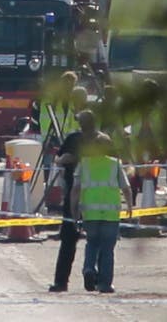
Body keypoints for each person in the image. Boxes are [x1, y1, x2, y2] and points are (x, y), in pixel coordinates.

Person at [48, 109, 103, 292]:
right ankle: (99, 278)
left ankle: (61, 282)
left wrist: (59, 158)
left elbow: (63, 159)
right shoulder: (104, 140)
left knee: (69, 240)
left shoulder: (74, 139)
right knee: (98, 240)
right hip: (100, 194)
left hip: (76, 193)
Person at [71, 135, 133, 293]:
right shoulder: (115, 164)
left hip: (90, 213)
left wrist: (74, 210)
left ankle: (89, 269)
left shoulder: (84, 164)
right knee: (107, 249)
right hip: (110, 214)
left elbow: (76, 189)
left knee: (92, 243)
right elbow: (126, 188)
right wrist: (130, 206)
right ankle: (105, 284)